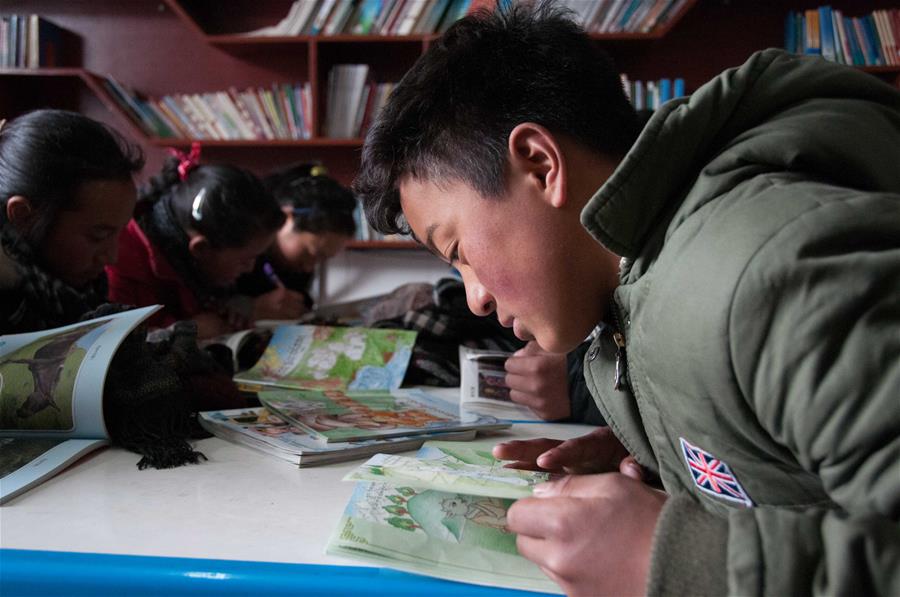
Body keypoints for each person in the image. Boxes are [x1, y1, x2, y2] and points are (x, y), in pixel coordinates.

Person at [353, 3, 900, 596]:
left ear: (540, 163)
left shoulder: (774, 270)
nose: (476, 298)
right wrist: (664, 458)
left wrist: (670, 557)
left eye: (458, 249)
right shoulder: (633, 281)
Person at [106, 144, 286, 339]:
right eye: (245, 261)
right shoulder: (119, 264)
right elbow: (113, 349)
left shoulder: (194, 260)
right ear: (201, 248)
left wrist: (235, 307)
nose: (250, 269)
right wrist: (184, 332)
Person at [0, 109, 143, 334]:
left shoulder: (78, 293)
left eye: (119, 233)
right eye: (98, 236)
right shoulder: (11, 306)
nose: (112, 257)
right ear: (22, 215)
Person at [236, 162, 357, 318]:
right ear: (286, 218)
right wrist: (250, 308)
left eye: (323, 258)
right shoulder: (240, 247)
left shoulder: (295, 268)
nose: (309, 267)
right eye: (311, 253)